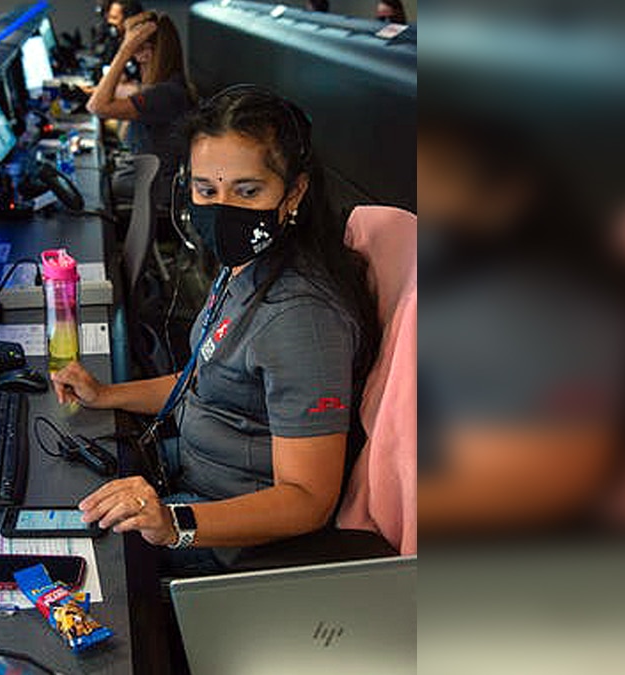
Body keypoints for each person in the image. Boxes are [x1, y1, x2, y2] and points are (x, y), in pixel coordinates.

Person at [56, 87, 381, 574]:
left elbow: (308, 499)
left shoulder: (301, 319)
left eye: (247, 191)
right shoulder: (247, 265)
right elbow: (200, 378)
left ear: (293, 193)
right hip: (185, 480)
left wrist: (172, 521)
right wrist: (106, 394)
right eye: (207, 190)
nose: (222, 208)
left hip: (228, 539)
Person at [87, 11, 196, 206]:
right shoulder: (167, 86)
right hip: (143, 180)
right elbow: (116, 92)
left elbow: (97, 106)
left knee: (87, 187)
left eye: (134, 48)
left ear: (146, 51)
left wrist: (124, 51)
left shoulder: (165, 94)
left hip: (152, 189)